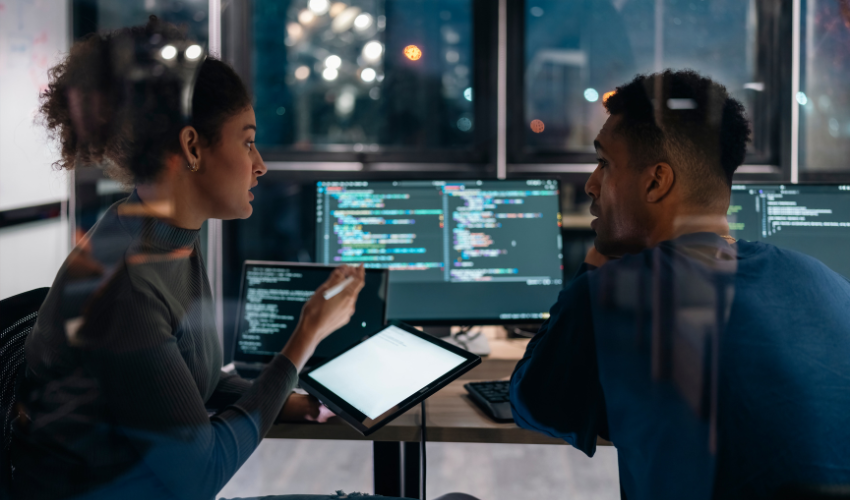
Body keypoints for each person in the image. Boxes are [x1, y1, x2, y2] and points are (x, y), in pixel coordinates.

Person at [9, 17, 475, 500]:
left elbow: (178, 386)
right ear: (192, 147)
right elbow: (200, 475)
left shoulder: (156, 233)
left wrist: (278, 399)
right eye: (247, 140)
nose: (260, 164)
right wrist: (305, 336)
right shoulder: (128, 284)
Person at [510, 70, 850, 500]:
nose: (591, 185)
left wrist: (598, 261)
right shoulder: (830, 284)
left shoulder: (611, 296)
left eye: (604, 164)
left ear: (656, 181)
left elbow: (532, 403)